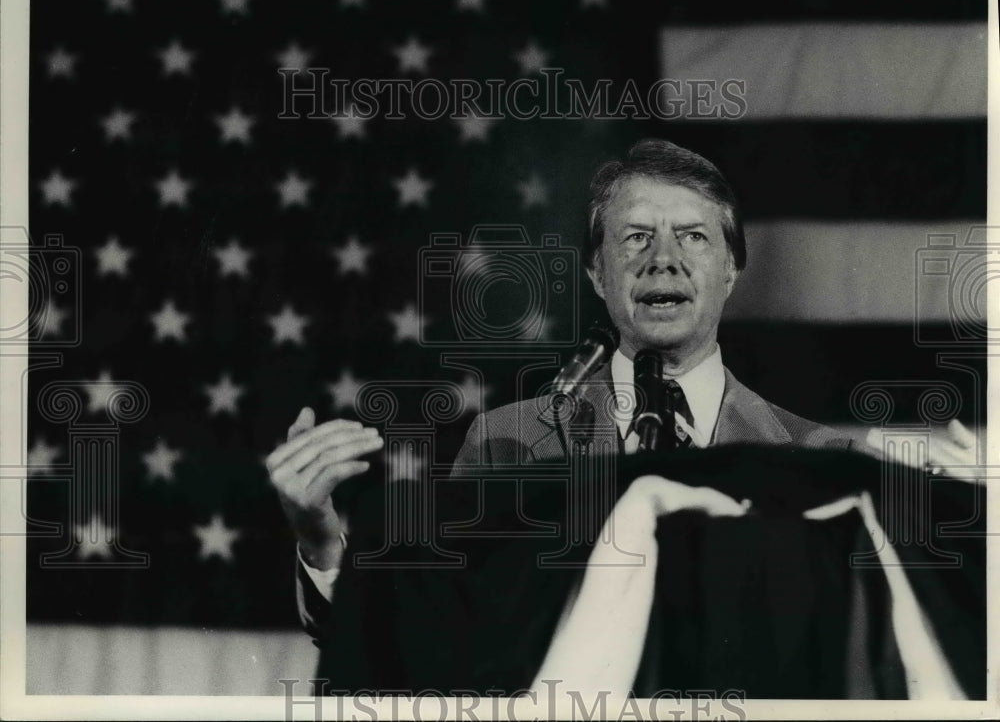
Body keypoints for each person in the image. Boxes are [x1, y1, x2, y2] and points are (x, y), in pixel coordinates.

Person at [266, 138, 978, 638]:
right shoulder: (510, 441)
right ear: (597, 275)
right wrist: (322, 539)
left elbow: (859, 653)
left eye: (693, 237)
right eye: (635, 237)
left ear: (732, 270)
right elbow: (436, 636)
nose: (662, 260)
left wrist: (961, 529)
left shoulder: (810, 454)